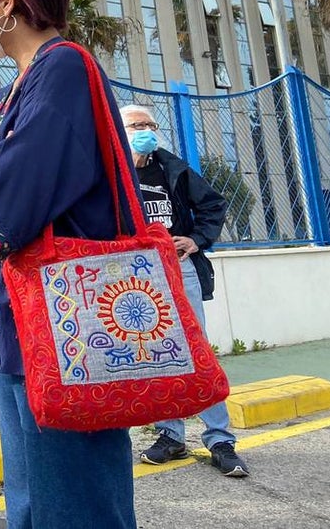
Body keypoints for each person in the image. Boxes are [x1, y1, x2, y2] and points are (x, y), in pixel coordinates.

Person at [0, 0, 137, 529]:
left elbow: (8, 197)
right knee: (31, 496)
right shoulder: (2, 97)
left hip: (66, 324)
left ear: (5, 2)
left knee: (73, 497)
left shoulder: (64, 68)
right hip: (14, 320)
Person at [121, 104, 250, 478]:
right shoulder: (112, 169)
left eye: (150, 124)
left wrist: (196, 239)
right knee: (157, 351)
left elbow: (213, 204)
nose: (146, 130)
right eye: (137, 125)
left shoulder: (171, 167)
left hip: (178, 266)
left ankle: (220, 439)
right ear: (120, 129)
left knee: (196, 348)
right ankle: (171, 435)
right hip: (136, 271)